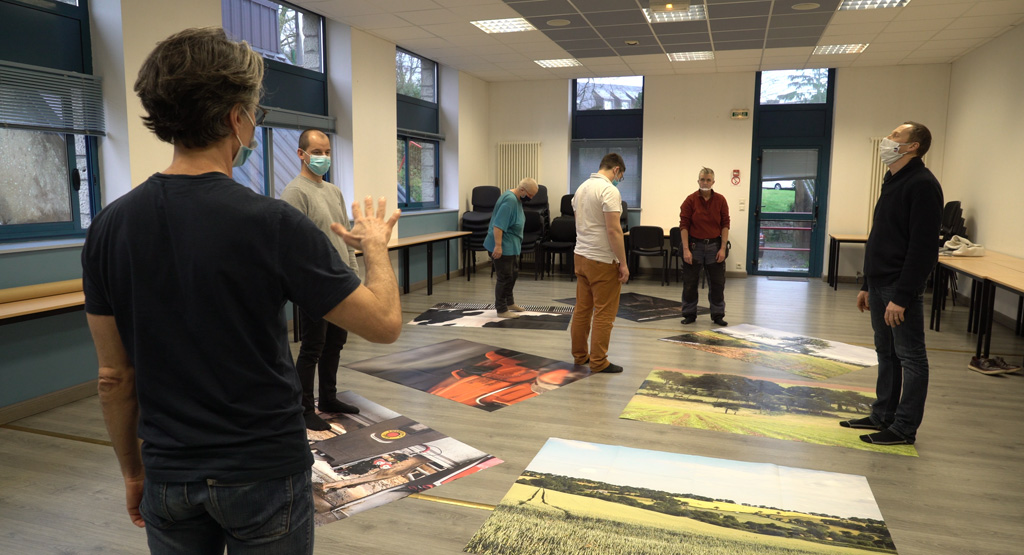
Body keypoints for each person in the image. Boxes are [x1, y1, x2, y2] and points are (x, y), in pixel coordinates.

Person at [82, 27, 402, 554]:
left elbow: (114, 379)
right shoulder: (272, 223)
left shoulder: (109, 227)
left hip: (169, 475)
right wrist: (374, 247)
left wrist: (133, 473)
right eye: (254, 111)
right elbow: (384, 323)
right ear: (236, 118)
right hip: (263, 472)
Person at [840, 121, 943, 446]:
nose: (888, 139)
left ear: (913, 146)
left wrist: (902, 296)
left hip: (900, 288)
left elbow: (923, 248)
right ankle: (882, 414)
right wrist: (867, 284)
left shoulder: (923, 185)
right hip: (880, 284)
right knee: (886, 352)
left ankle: (903, 428)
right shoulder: (892, 181)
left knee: (910, 357)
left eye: (896, 135)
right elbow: (882, 237)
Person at [281, 129, 362, 430]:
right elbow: (292, 247)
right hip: (314, 286)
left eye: (327, 152)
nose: (323, 158)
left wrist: (354, 277)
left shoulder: (334, 191)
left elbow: (345, 239)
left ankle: (329, 398)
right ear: (301, 154)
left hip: (341, 282)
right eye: (317, 152)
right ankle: (305, 408)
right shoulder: (295, 192)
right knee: (313, 346)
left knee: (335, 343)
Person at [570, 153, 629, 374]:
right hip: (602, 260)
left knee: (582, 310)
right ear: (616, 170)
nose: (618, 180)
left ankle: (579, 356)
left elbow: (579, 223)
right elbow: (614, 231)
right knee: (604, 313)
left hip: (581, 256)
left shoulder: (581, 188)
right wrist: (623, 263)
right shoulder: (609, 191)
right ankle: (599, 361)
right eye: (620, 176)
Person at [678, 167, 730, 326]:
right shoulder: (690, 200)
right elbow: (684, 226)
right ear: (698, 181)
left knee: (717, 283)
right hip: (695, 247)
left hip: (715, 246)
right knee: (690, 282)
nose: (705, 182)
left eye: (708, 180)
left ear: (713, 182)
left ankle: (717, 315)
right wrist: (686, 249)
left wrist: (722, 248)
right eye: (702, 179)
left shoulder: (721, 200)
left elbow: (725, 225)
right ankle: (689, 314)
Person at [483, 177, 539, 318]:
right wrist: (498, 246)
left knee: (513, 274)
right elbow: (498, 225)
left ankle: (510, 302)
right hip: (503, 245)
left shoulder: (517, 199)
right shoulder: (510, 201)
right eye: (530, 195)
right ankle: (501, 310)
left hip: (511, 245)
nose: (531, 198)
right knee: (504, 277)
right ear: (522, 190)